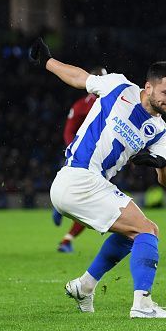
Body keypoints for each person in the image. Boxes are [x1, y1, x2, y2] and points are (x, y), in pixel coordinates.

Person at [29, 37, 166, 318]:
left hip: (85, 184)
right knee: (147, 231)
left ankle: (84, 286)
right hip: (79, 178)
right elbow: (80, 78)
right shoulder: (119, 87)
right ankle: (143, 304)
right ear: (147, 87)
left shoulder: (159, 131)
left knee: (136, 233)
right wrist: (48, 62)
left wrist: (161, 164)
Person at [53, 66, 107, 253]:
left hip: (98, 159)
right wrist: (75, 150)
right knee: (90, 201)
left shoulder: (82, 105)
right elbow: (69, 131)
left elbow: (68, 130)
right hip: (87, 159)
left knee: (86, 199)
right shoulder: (89, 105)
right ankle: (66, 238)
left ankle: (61, 214)